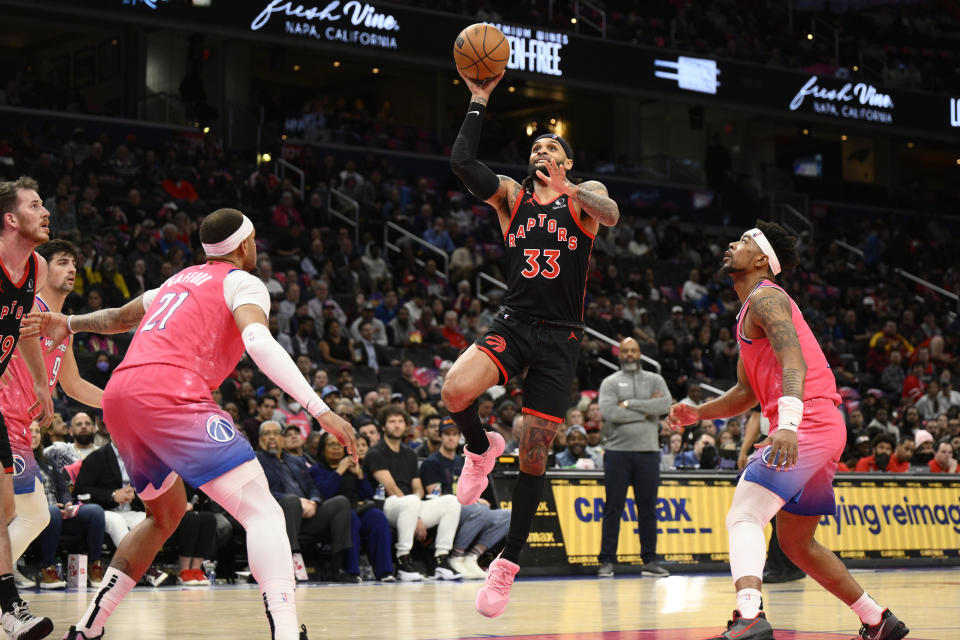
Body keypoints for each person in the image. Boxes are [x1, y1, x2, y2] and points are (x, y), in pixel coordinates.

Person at [25, 208, 356, 640]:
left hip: (122, 396)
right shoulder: (243, 282)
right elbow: (257, 340)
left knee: (164, 516)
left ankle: (88, 627)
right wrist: (319, 408)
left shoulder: (176, 281)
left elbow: (118, 319)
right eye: (254, 239)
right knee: (263, 512)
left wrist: (67, 322)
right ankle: (287, 633)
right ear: (244, 245)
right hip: (172, 390)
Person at [667, 221, 908, 640]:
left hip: (807, 420)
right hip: (820, 424)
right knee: (797, 545)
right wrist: (697, 413)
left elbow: (794, 361)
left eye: (742, 241)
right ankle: (878, 619)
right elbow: (745, 392)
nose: (730, 244)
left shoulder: (767, 297)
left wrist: (790, 424)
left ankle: (749, 616)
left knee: (745, 512)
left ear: (761, 259)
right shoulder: (750, 310)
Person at [443, 66, 618, 618]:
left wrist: (571, 187)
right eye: (536, 146)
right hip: (515, 322)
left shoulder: (583, 199)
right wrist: (477, 100)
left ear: (566, 162)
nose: (541, 150)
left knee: (536, 453)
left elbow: (612, 215)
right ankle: (478, 448)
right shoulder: (513, 198)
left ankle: (506, 563)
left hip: (562, 338)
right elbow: (462, 164)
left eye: (552, 147)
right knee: (453, 390)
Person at [0, 239, 105, 594]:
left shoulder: (62, 325)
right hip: (5, 420)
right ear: (42, 272)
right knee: (31, 514)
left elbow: (73, 385)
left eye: (73, 262)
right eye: (61, 262)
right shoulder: (28, 308)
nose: (71, 268)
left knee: (32, 515)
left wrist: (118, 402)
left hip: (19, 429)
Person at [0, 176, 57, 639]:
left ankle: (7, 609)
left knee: (3, 512)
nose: (46, 212)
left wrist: (40, 381)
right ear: (10, 218)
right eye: (35, 205)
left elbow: (26, 328)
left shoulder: (35, 267)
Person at [596, 337, 671, 578]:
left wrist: (628, 404)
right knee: (613, 508)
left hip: (648, 452)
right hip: (617, 453)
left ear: (640, 354)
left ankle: (649, 561)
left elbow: (664, 406)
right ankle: (607, 561)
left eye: (633, 351)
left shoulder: (655, 379)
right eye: (625, 351)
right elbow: (609, 413)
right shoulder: (610, 382)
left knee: (648, 508)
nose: (629, 355)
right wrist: (647, 412)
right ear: (619, 354)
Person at [363, 408, 462, 582]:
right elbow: (391, 488)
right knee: (410, 501)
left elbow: (418, 488)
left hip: (411, 506)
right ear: (383, 427)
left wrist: (415, 507)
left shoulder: (409, 453)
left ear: (406, 426)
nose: (397, 425)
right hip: (387, 505)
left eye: (400, 421)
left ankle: (442, 558)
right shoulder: (376, 452)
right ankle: (403, 560)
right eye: (392, 421)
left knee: (451, 502)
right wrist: (415, 513)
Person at [256, 421, 355, 582]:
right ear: (260, 440)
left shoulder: (297, 460)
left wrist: (314, 502)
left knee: (341, 503)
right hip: (280, 516)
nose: (272, 437)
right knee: (292, 501)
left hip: (307, 515)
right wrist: (299, 501)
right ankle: (292, 563)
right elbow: (262, 492)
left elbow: (313, 486)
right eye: (267, 434)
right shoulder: (256, 461)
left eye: (276, 433)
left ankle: (336, 567)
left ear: (283, 439)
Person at [419, 420, 511, 580]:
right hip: (447, 510)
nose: (451, 438)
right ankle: (456, 555)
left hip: (469, 510)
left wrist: (476, 499)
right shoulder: (432, 462)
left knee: (508, 516)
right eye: (447, 434)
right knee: (479, 509)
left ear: (460, 437)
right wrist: (473, 502)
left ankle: (472, 556)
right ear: (440, 436)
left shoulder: (464, 461)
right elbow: (434, 496)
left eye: (455, 434)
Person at [309, 433, 394, 582]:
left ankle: (385, 571)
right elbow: (325, 493)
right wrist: (339, 472)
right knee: (351, 518)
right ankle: (352, 571)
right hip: (331, 514)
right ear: (322, 449)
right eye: (331, 444)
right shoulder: (316, 470)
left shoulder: (353, 468)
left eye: (340, 445)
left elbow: (369, 494)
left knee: (377, 517)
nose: (336, 448)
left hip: (358, 508)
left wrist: (359, 475)